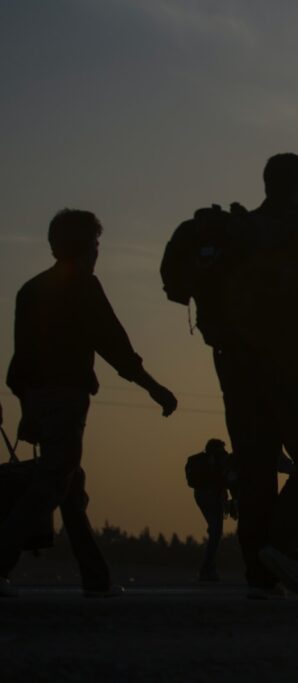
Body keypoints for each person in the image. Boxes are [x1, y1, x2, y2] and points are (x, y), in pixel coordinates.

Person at [1, 209, 177, 598]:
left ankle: (95, 577)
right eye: (96, 245)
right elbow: (114, 345)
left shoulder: (30, 291)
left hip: (37, 398)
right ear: (89, 248)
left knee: (69, 486)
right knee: (51, 485)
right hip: (66, 399)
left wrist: (28, 407)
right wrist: (154, 388)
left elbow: (21, 362)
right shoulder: (82, 286)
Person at [211, 154, 298, 598]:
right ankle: (282, 542)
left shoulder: (237, 232)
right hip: (291, 362)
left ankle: (259, 572)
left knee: (256, 466)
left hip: (236, 369)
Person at [186, 438, 232, 581]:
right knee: (216, 531)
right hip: (211, 496)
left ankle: (208, 568)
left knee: (215, 531)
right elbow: (226, 480)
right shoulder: (216, 461)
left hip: (202, 496)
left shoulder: (201, 461)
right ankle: (207, 569)